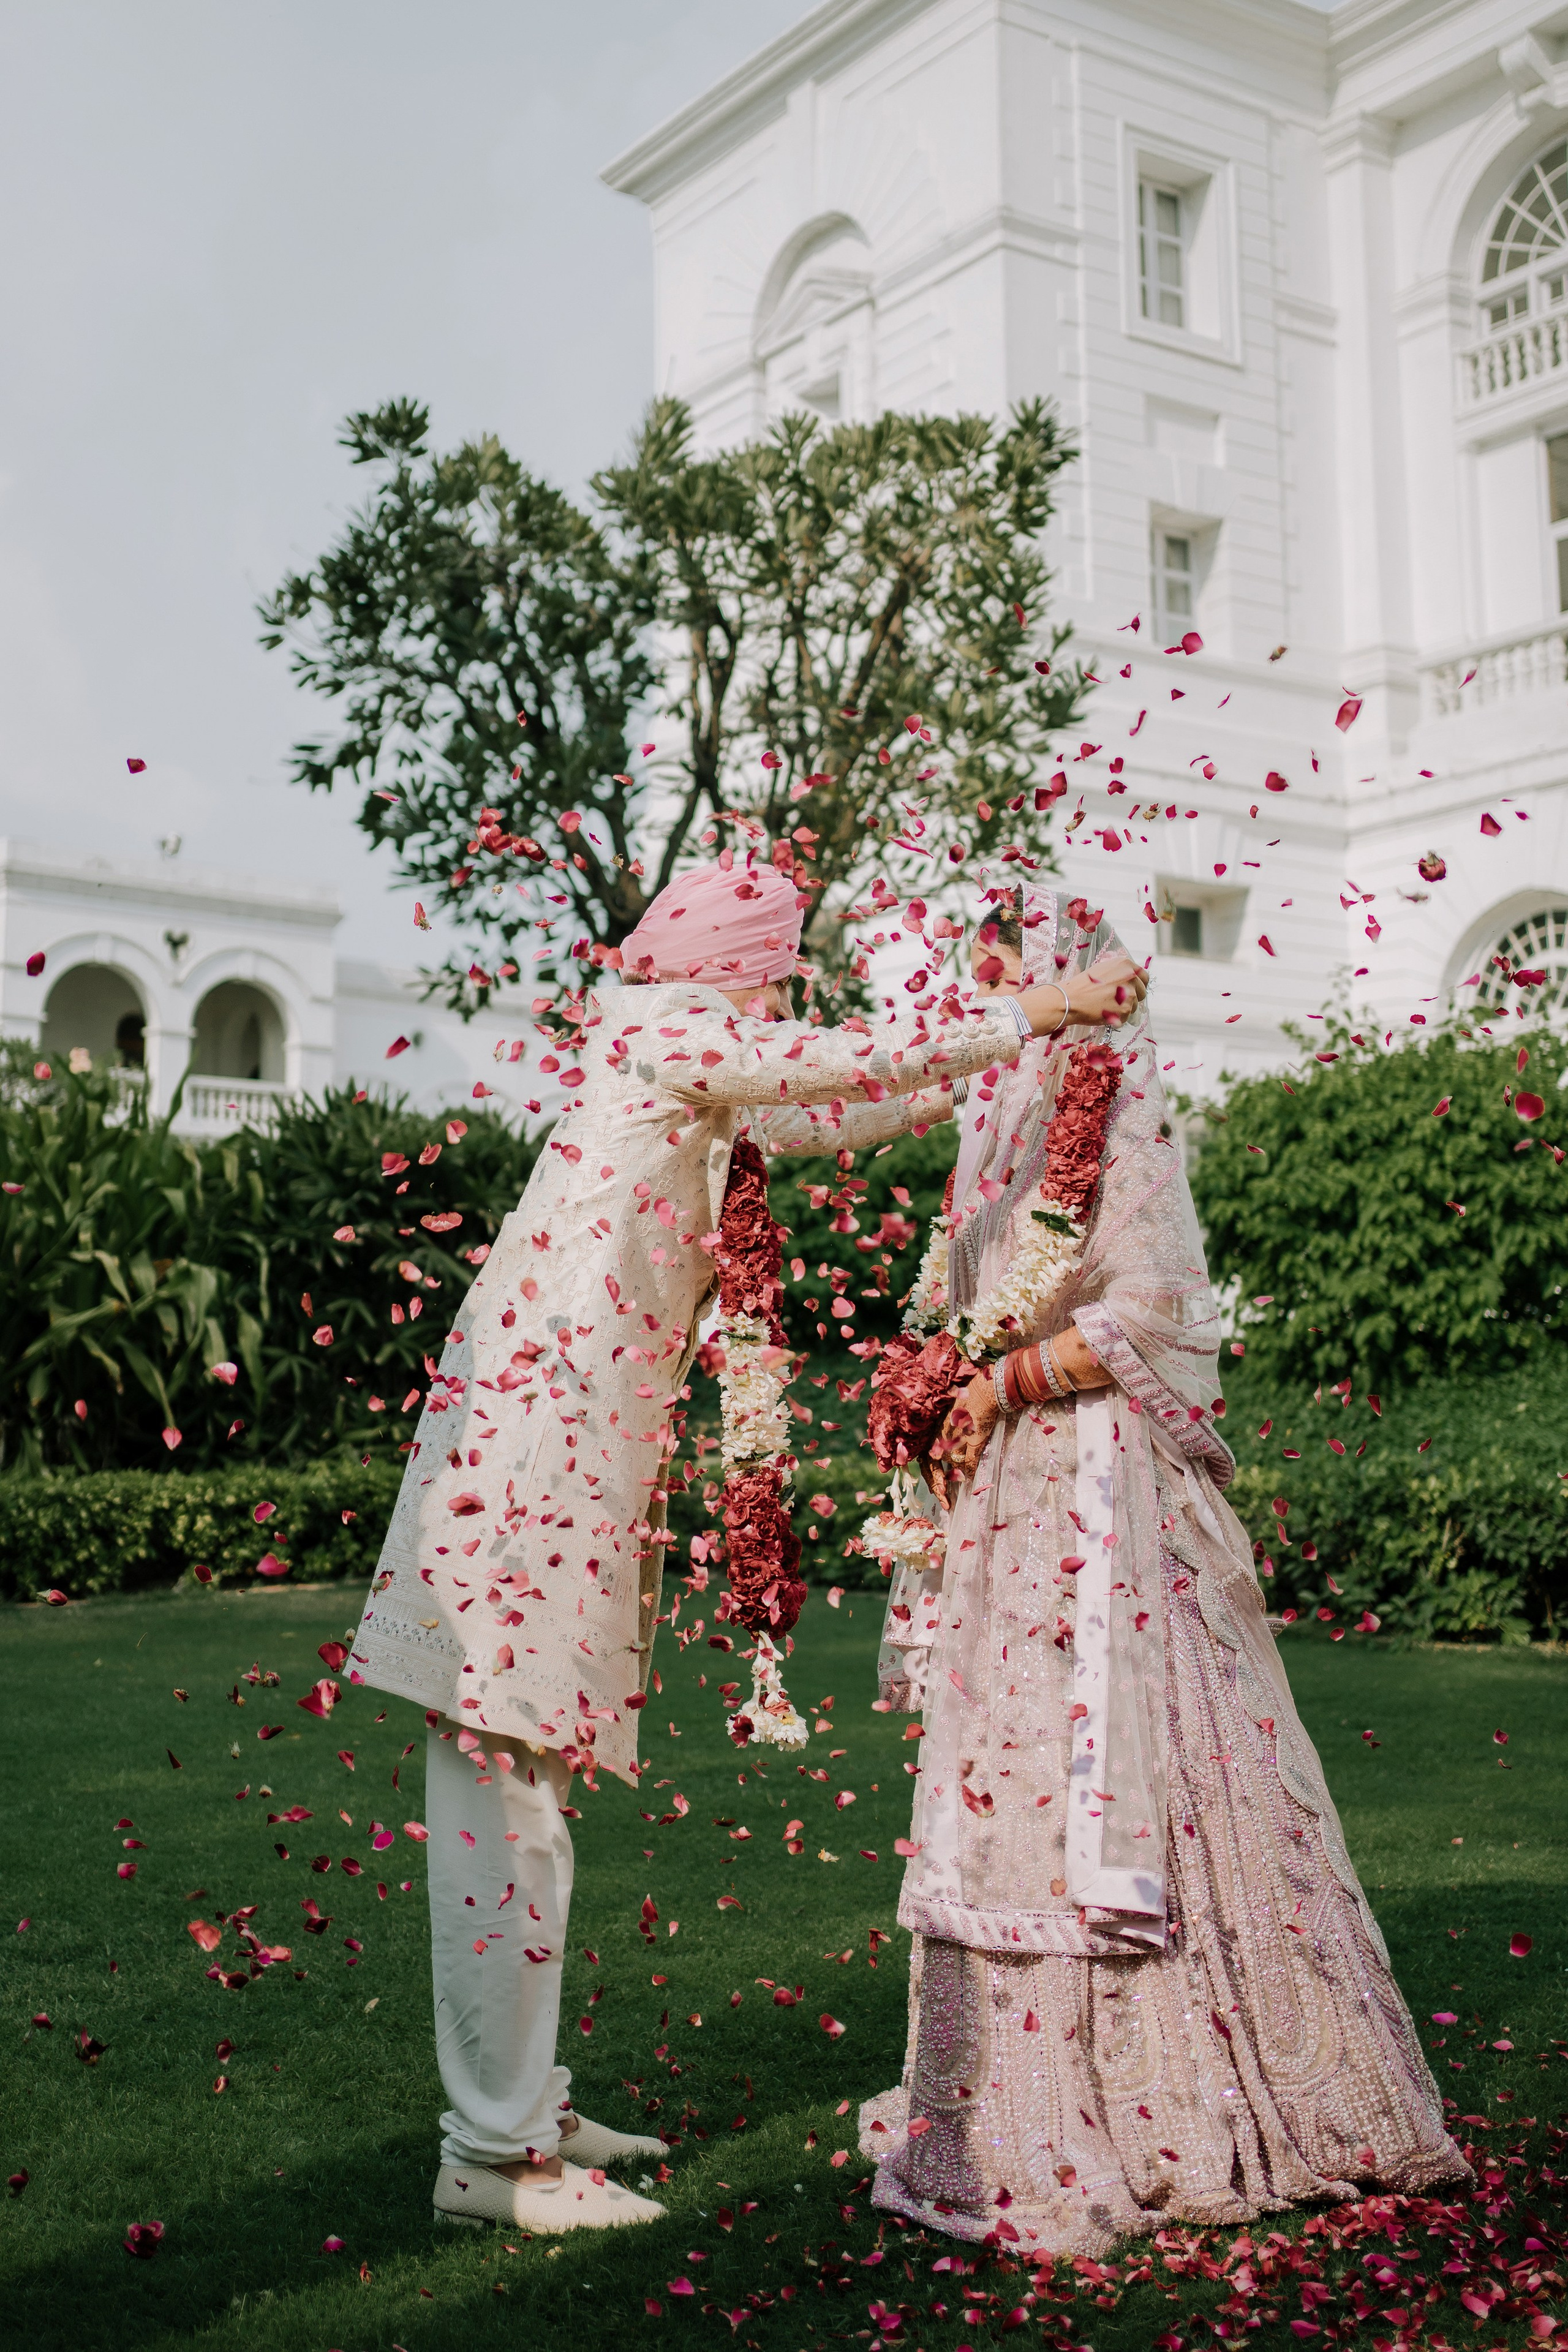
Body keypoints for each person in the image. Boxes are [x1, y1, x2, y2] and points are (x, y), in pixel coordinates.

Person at [343, 851, 1145, 2232]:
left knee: (521, 1793)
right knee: (504, 1798)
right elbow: (838, 1058)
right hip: (534, 1458)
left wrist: (1002, 1055)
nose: (789, 993)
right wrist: (1040, 1008)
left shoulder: (677, 1055)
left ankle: (518, 2110)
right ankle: (490, 2155)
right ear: (742, 965)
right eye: (781, 969)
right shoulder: (668, 1033)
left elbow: (837, 1100)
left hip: (555, 1448)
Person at [861, 883, 1468, 2251]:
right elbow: (962, 1312)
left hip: (1099, 1505)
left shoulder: (1117, 1130)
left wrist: (1001, 1377)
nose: (995, 993)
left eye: (1012, 965)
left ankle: (1165, 2094)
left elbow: (1155, 1313)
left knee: (1136, 1780)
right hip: (1007, 1506)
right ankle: (990, 2102)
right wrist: (934, 1384)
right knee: (996, 1791)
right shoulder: (991, 1149)